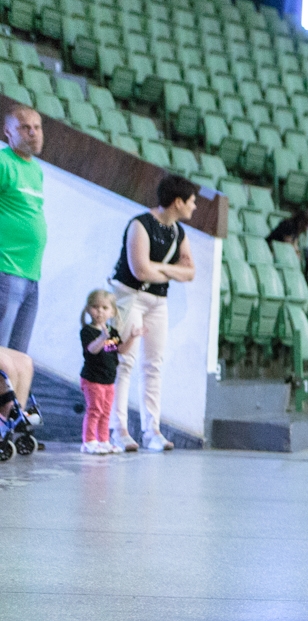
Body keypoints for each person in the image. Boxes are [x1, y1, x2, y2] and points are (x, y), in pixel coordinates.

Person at [109, 174, 198, 453]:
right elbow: (140, 270)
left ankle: (152, 430)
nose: (194, 207)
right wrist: (171, 271)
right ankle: (118, 429)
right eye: (192, 202)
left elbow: (190, 272)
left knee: (154, 365)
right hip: (129, 297)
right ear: (178, 202)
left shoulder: (178, 233)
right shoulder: (140, 224)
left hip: (157, 302)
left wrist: (163, 269)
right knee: (125, 361)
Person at [0, 105, 47, 353]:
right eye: (25, 128)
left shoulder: (36, 170)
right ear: (8, 131)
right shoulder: (3, 162)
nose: (33, 133)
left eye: (37, 127)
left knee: (17, 358)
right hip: (6, 272)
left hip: (31, 277)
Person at [80, 288, 139, 455]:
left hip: (108, 380)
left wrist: (132, 337)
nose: (99, 311)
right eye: (95, 307)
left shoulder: (112, 332)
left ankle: (103, 440)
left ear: (112, 312)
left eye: (105, 308)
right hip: (93, 379)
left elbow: (119, 350)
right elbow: (92, 350)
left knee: (106, 412)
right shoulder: (88, 331)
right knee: (94, 410)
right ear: (88, 309)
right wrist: (101, 338)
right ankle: (89, 441)